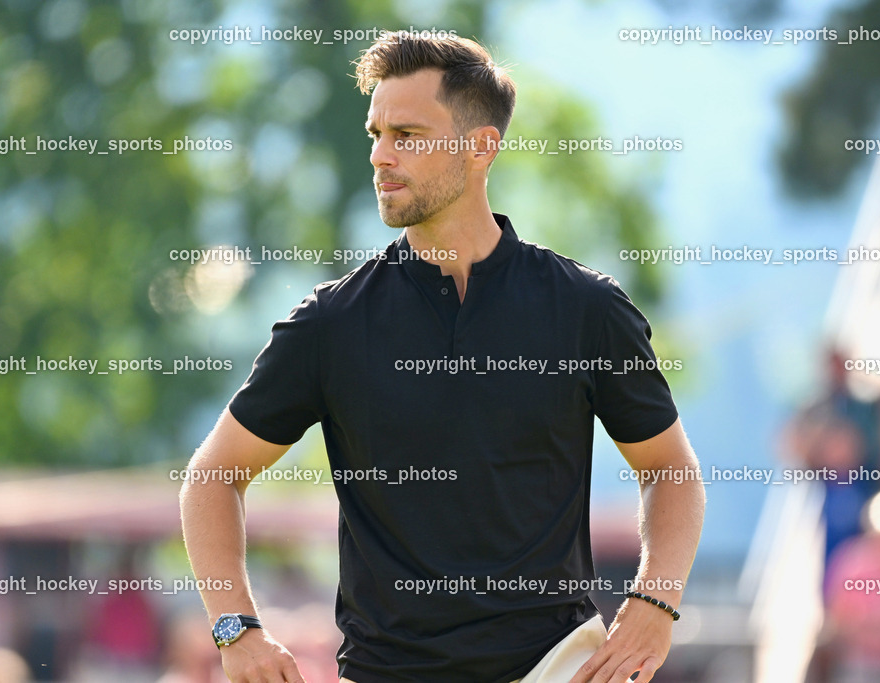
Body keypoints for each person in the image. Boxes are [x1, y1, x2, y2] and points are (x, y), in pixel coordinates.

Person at [180, 31, 705, 683]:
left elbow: (669, 468)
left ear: (481, 147)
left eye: (407, 134)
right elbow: (213, 476)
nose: (380, 154)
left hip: (555, 668)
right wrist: (235, 628)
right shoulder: (330, 324)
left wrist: (656, 601)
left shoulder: (585, 308)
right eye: (376, 133)